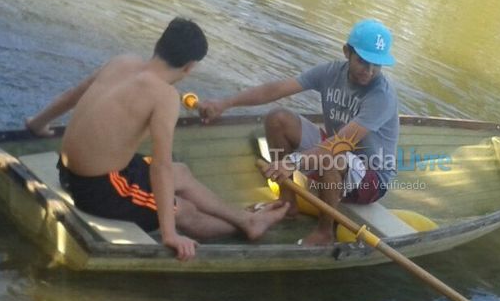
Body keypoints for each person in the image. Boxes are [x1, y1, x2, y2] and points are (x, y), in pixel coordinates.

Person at [24, 18, 286, 261]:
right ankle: (248, 224)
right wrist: (169, 233)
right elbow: (160, 167)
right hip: (97, 190)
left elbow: (73, 95)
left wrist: (38, 123)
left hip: (68, 170)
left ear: (158, 44)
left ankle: (246, 219)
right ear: (190, 67)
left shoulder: (122, 62)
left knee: (180, 173)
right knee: (182, 209)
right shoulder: (165, 96)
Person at [196, 19, 400, 245]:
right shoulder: (331, 72)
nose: (369, 71)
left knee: (334, 158)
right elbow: (275, 89)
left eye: (376, 65)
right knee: (278, 118)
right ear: (346, 52)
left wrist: (293, 162)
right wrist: (225, 103)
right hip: (338, 156)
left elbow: (340, 143)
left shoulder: (382, 96)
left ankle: (325, 232)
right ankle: (287, 202)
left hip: (371, 179)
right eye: (363, 61)